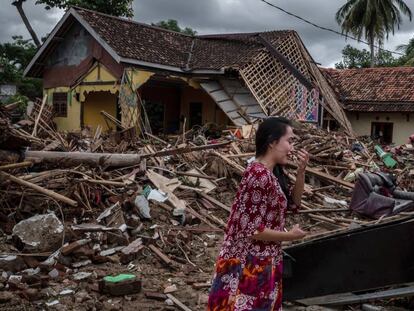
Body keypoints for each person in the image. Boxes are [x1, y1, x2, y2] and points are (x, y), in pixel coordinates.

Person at [207, 117, 309, 311]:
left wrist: (301, 172)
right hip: (247, 264)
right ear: (272, 142)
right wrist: (290, 236)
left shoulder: (272, 173)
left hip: (263, 261)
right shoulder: (258, 175)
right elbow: (252, 230)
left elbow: (294, 205)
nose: (292, 147)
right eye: (289, 141)